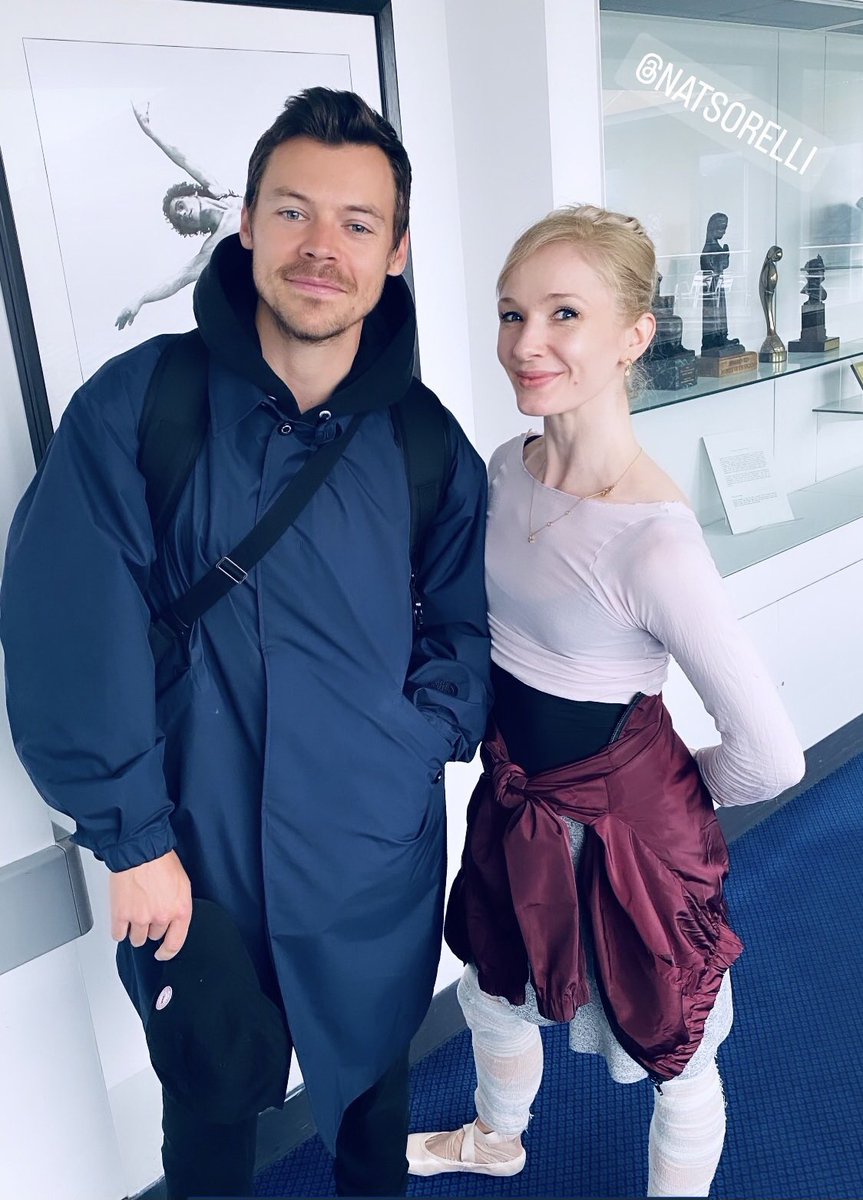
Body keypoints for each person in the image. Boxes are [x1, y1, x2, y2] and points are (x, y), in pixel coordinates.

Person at [1, 88, 492, 1199]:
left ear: (397, 248)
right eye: (294, 213)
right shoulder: (140, 406)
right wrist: (130, 837)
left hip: (371, 849)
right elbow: (64, 624)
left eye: (357, 223)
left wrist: (410, 741)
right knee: (209, 1113)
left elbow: (463, 627)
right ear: (248, 225)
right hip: (190, 852)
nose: (322, 248)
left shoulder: (424, 443)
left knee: (372, 1100)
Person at [406, 205, 805, 1197]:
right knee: (493, 991)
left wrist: (650, 796)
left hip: (625, 841)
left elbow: (770, 757)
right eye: (510, 313)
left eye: (561, 314)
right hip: (512, 805)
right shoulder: (507, 465)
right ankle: (498, 1138)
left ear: (633, 335)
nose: (524, 342)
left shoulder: (653, 541)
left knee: (672, 1043)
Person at [115, 100, 243, 328]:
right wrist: (141, 299)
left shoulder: (220, 192)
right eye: (179, 218)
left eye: (180, 206)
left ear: (192, 194)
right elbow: (179, 278)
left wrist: (149, 131)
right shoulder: (214, 245)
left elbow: (182, 158)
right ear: (191, 229)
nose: (182, 214)